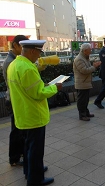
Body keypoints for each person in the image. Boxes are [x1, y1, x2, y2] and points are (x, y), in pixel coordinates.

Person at [7, 40, 62, 185]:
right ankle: (35, 179)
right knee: (35, 150)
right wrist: (55, 87)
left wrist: (43, 85)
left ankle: (29, 171)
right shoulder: (28, 68)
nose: (39, 57)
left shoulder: (14, 65)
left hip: (22, 114)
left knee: (27, 147)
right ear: (32, 51)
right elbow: (38, 93)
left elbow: (27, 88)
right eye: (38, 53)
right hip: (33, 116)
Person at [2, 35, 28, 167]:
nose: (25, 50)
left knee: (20, 129)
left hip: (16, 99)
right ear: (16, 45)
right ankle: (14, 158)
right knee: (16, 130)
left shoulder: (15, 59)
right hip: (13, 100)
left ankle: (21, 153)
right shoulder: (9, 62)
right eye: (23, 47)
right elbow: (12, 84)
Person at [73, 43, 101, 121]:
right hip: (81, 83)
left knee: (85, 100)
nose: (91, 51)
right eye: (90, 50)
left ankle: (86, 112)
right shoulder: (79, 59)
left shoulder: (85, 58)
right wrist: (94, 67)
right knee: (82, 100)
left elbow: (88, 68)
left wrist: (94, 65)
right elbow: (84, 70)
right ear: (85, 51)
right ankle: (82, 115)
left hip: (85, 82)